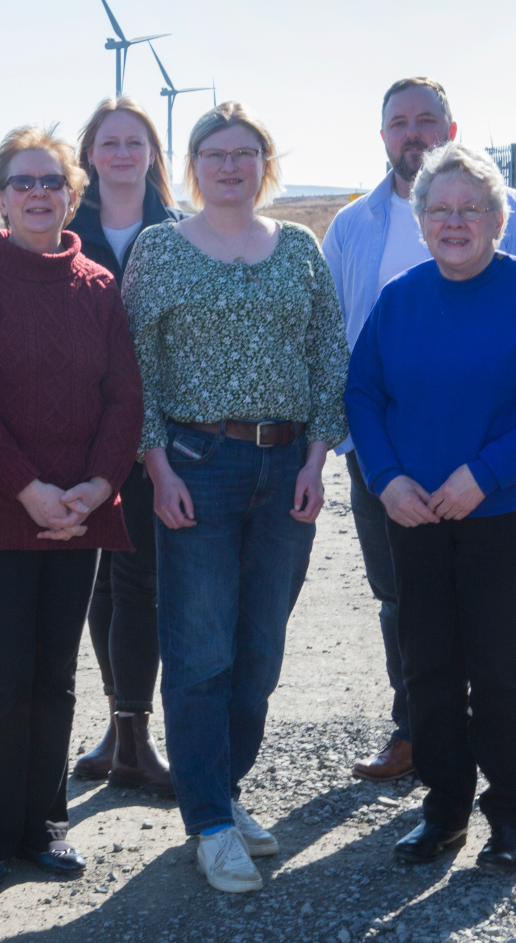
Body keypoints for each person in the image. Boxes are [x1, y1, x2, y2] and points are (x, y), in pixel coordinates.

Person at [321, 77, 516, 790]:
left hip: (499, 474)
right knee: (406, 608)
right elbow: (342, 347)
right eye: (398, 122)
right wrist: (369, 460)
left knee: (499, 624)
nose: (413, 133)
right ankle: (418, 736)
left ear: (452, 127)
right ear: (383, 138)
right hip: (390, 466)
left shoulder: (509, 209)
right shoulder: (353, 225)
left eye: (426, 120)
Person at [123, 103, 349, 894]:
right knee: (201, 649)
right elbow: (135, 372)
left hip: (287, 464)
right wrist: (158, 470)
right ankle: (210, 821)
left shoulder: (299, 248)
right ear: (192, 166)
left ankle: (221, 790)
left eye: (244, 153)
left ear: (265, 164)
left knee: (260, 649)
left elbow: (329, 357)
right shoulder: (159, 250)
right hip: (197, 461)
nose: (229, 166)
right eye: (214, 154)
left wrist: (317, 461)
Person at [0, 126, 143, 891]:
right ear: (0, 197)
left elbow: (124, 398)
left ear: (71, 195)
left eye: (50, 182)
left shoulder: (98, 287)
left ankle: (43, 821)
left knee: (55, 672)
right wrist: (30, 492)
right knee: (6, 667)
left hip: (80, 512)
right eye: (21, 182)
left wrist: (96, 487)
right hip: (1, 509)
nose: (36, 193)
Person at [67, 97, 186, 795]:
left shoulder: (179, 232)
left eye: (133, 141)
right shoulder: (61, 227)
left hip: (154, 434)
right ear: (88, 154)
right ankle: (119, 723)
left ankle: (134, 732)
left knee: (139, 579)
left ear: (150, 154)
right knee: (99, 582)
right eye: (107, 141)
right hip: (75, 434)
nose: (120, 153)